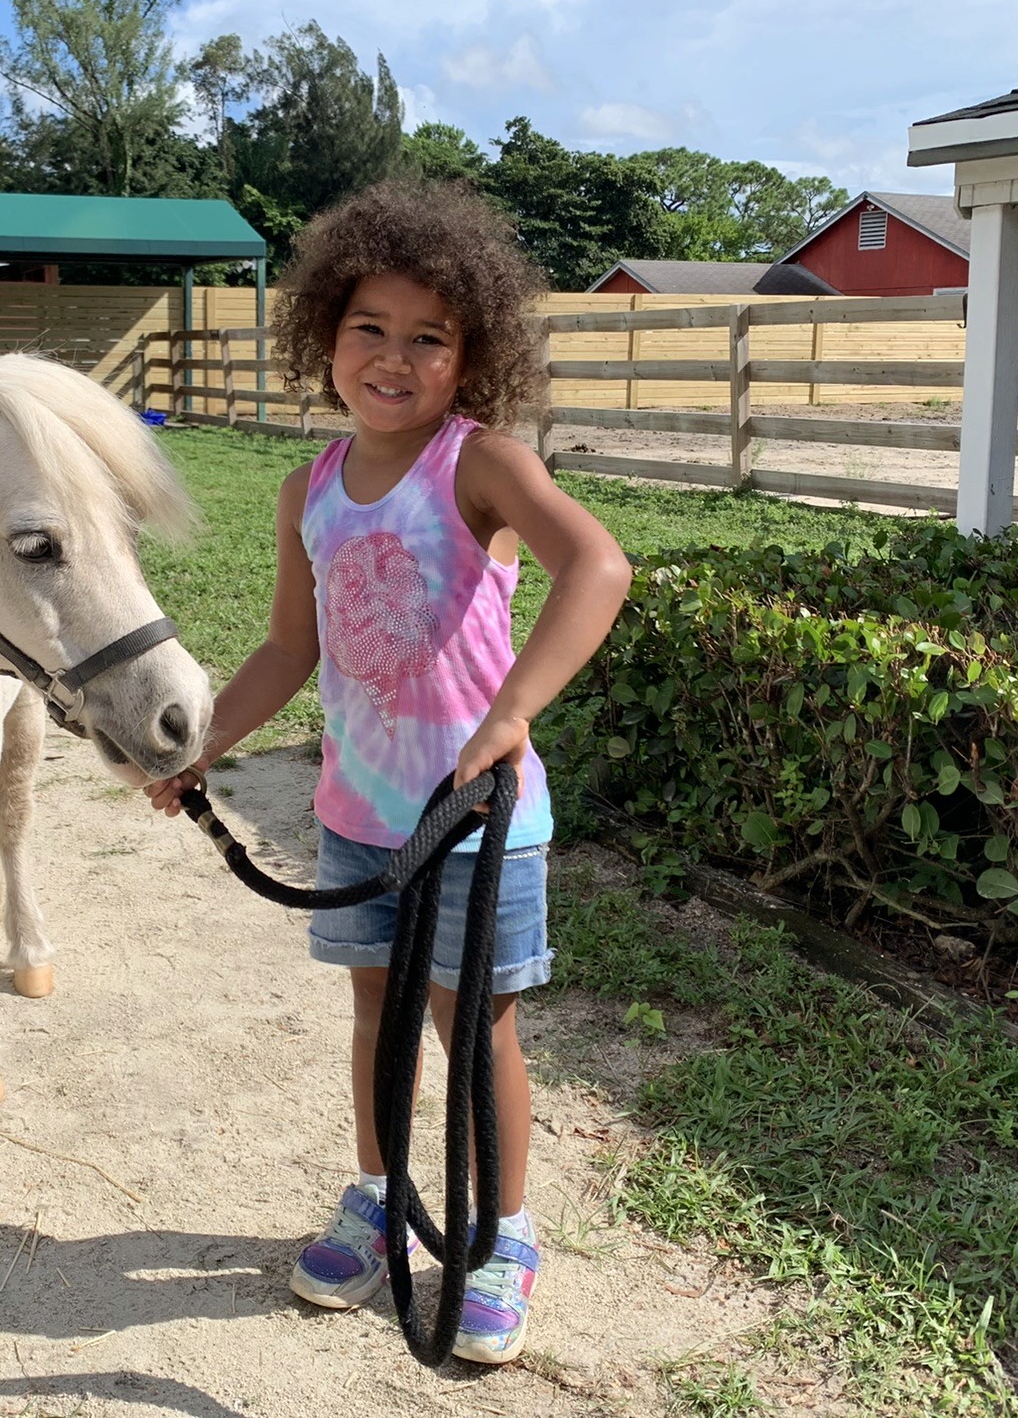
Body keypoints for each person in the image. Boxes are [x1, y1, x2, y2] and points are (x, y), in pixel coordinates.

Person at [146, 179, 633, 1364]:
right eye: (370, 328)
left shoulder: (481, 466)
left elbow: (598, 569)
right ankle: (376, 1200)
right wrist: (201, 741)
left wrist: (509, 717)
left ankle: (499, 1237)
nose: (394, 357)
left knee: (480, 1032)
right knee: (376, 1020)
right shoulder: (303, 488)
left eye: (429, 338)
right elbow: (285, 649)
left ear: (471, 357)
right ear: (325, 335)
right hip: (361, 816)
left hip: (473, 822)